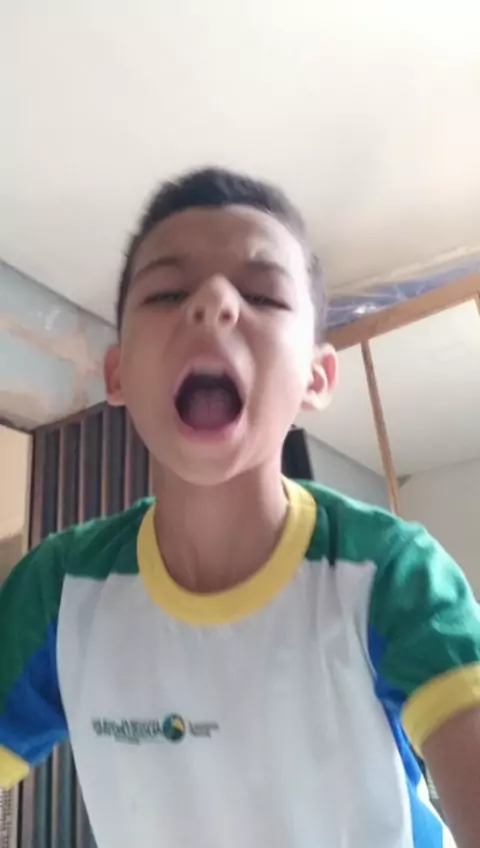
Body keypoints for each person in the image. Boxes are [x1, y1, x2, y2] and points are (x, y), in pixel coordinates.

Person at [0, 168, 479, 848]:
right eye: (168, 292)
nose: (213, 304)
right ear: (118, 374)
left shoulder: (394, 571)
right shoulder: (58, 592)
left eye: (261, 294)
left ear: (316, 377)